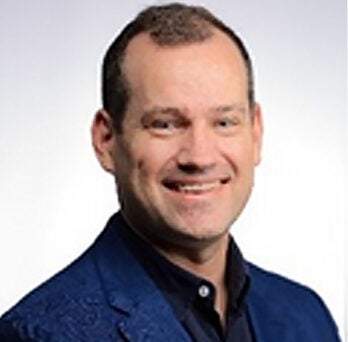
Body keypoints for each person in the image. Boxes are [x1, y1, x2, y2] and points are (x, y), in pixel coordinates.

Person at [0, 3, 340, 341]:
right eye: (165, 124)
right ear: (106, 140)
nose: (200, 156)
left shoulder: (307, 316)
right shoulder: (39, 333)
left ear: (255, 132)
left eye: (224, 122)